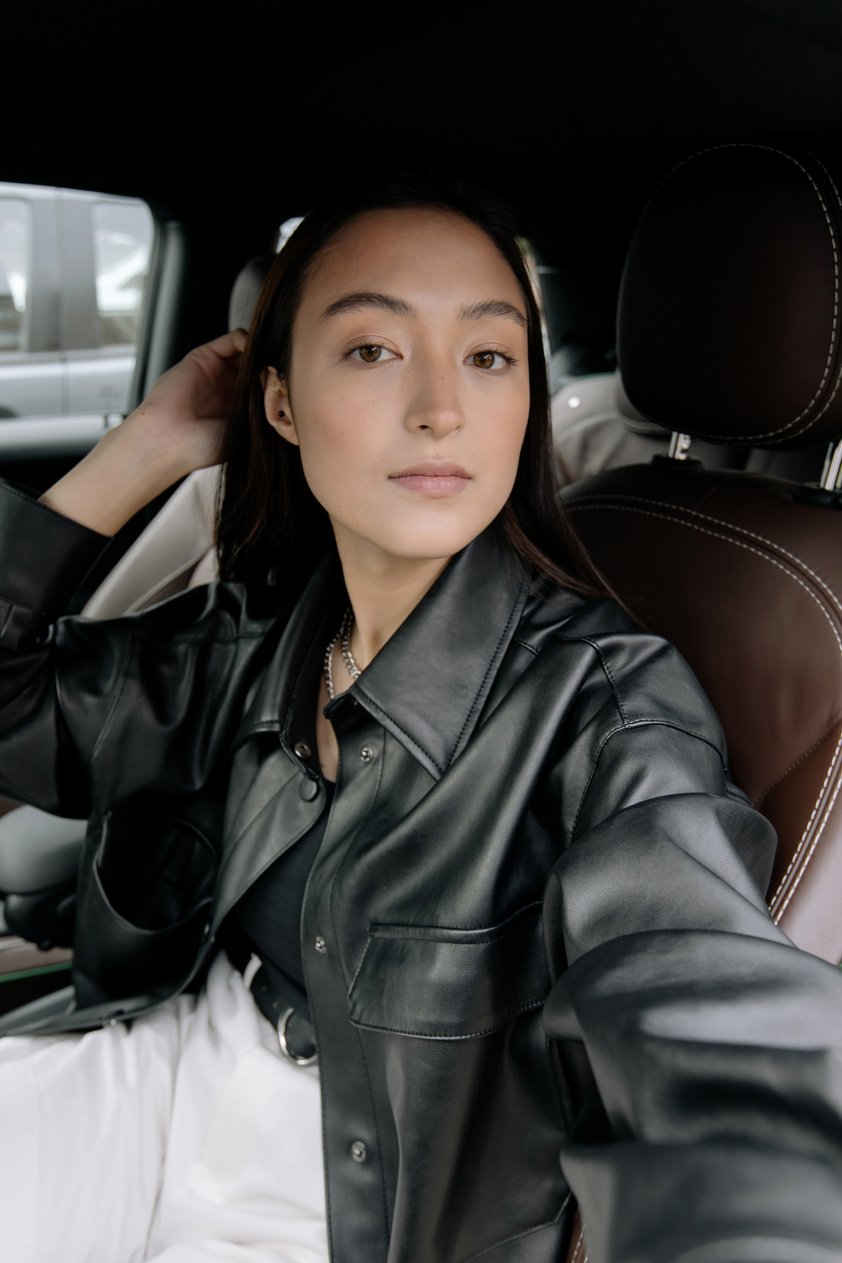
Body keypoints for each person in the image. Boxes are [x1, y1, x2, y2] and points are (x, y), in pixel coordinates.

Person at [0, 175, 841, 1263]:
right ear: (280, 401)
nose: (441, 406)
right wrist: (150, 446)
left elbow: (707, 1028)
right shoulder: (267, 627)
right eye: (371, 350)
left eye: (488, 357)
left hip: (354, 1193)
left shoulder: (607, 709)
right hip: (162, 1051)